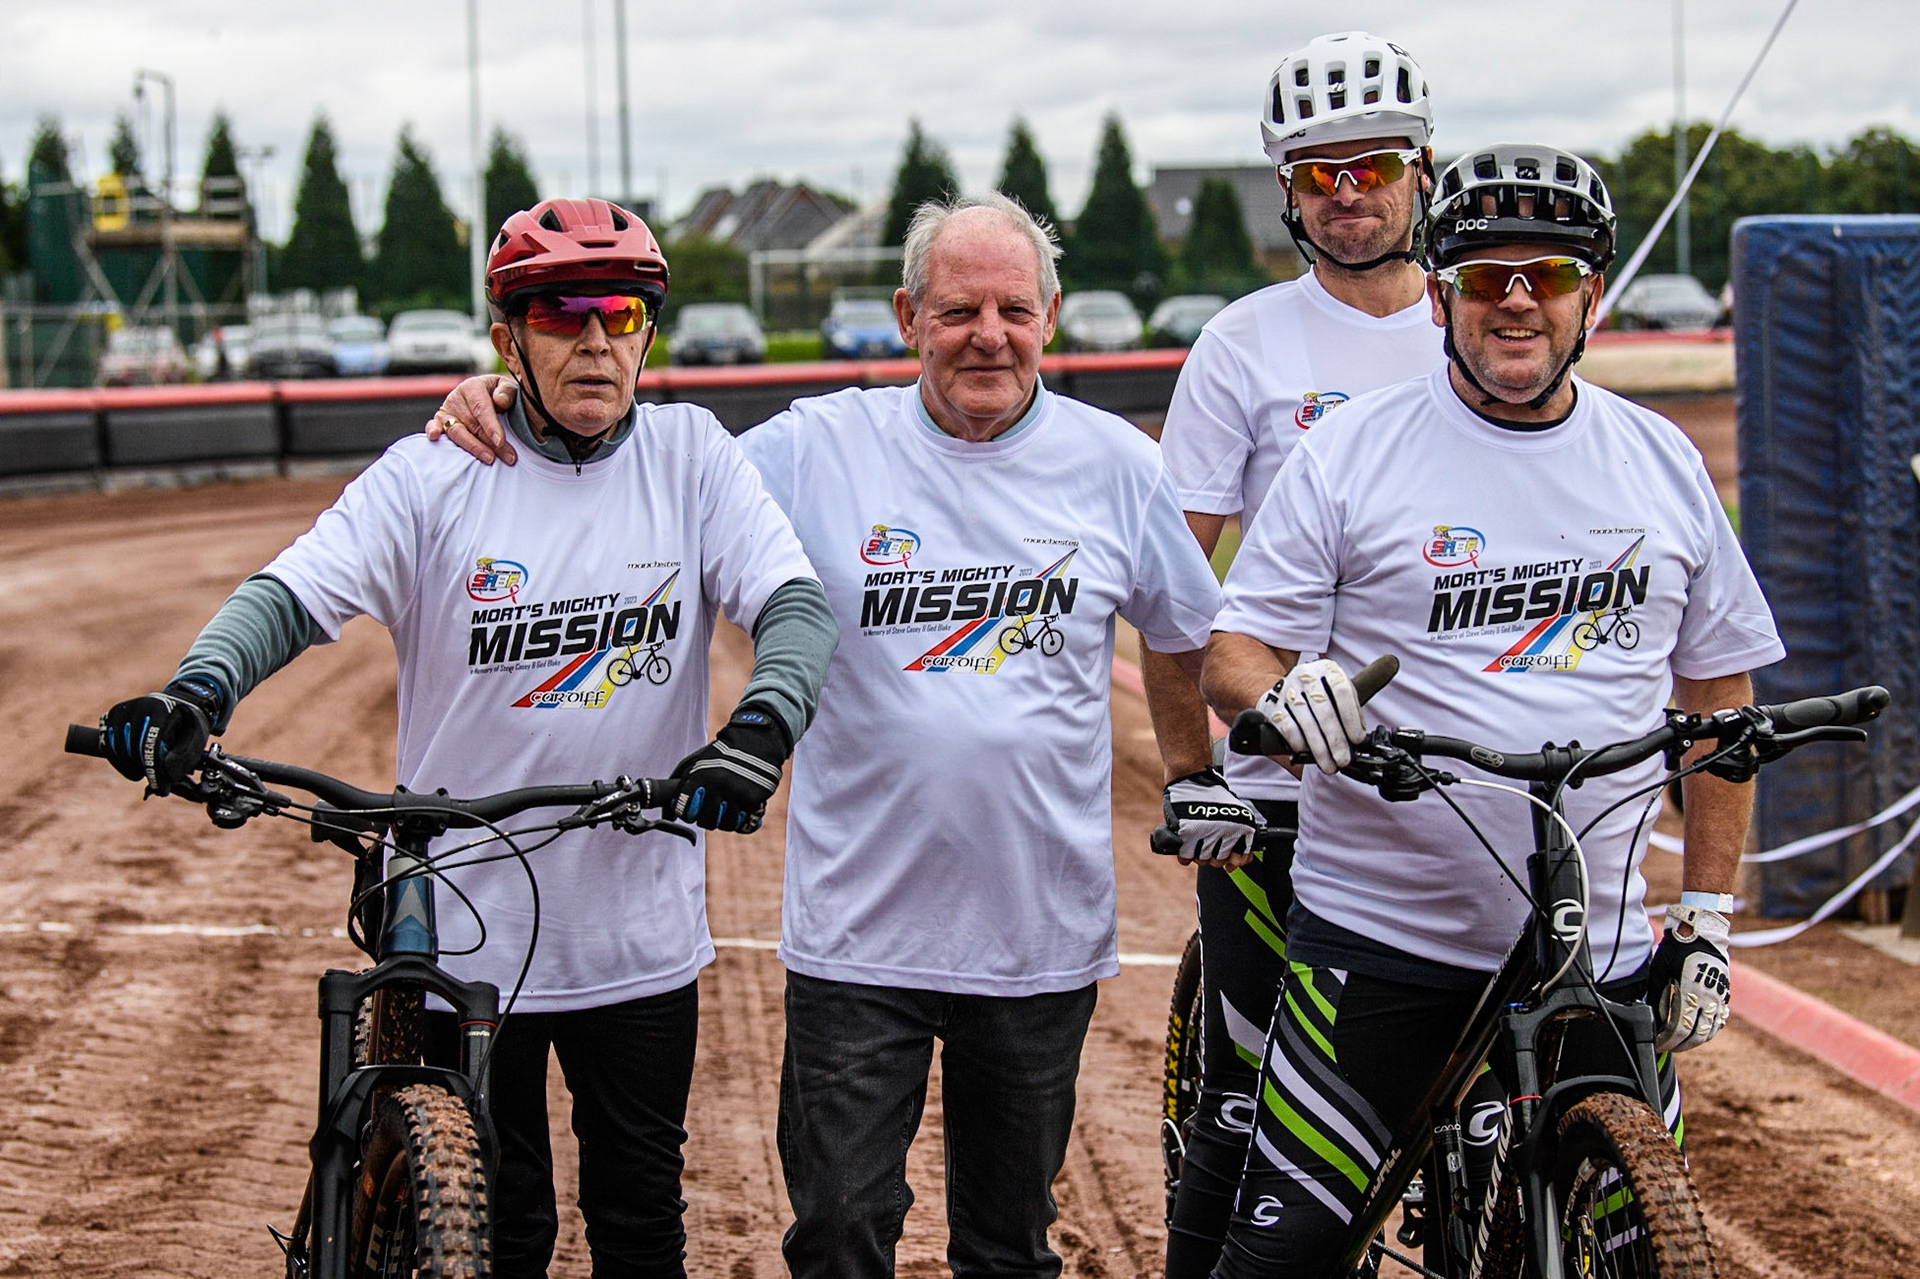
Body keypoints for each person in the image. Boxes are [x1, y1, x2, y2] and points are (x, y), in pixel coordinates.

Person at [427, 192, 1225, 1278]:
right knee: (841, 1229)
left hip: (1039, 930)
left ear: (1050, 317)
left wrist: (1193, 775)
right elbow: (639, 469)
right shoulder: (814, 449)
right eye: (956, 310)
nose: (987, 334)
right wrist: (505, 394)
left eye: (1013, 309)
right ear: (906, 316)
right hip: (859, 939)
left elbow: (1178, 633)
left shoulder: (1116, 464)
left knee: (1011, 1245)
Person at [97, 197, 837, 1279]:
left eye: (621, 315)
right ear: (510, 339)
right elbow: (293, 594)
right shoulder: (436, 474)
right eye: (561, 315)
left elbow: (795, 609)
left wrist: (757, 733)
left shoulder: (692, 460)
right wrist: (196, 691)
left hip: (636, 936)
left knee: (641, 1223)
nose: (595, 341)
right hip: (457, 925)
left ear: (646, 331)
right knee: (503, 1229)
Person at [1198, 144, 1784, 1276]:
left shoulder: (1659, 461)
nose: (1518, 301)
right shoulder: (1351, 454)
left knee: (1640, 1244)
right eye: (1485, 277)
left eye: (1550, 276)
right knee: (1283, 1257)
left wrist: (1707, 916)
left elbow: (1719, 695)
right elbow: (1235, 648)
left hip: (1598, 953)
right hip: (1383, 943)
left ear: (1592, 297)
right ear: (1440, 295)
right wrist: (1286, 690)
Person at [1144, 32, 1447, 1276]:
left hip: (1455, 771)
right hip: (1282, 781)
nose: (1349, 193)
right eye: (1319, 175)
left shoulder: (1482, 323)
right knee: (1242, 1093)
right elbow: (1172, 582)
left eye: (1372, 165)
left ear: (1426, 170)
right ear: (1287, 191)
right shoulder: (1247, 345)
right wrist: (1189, 773)